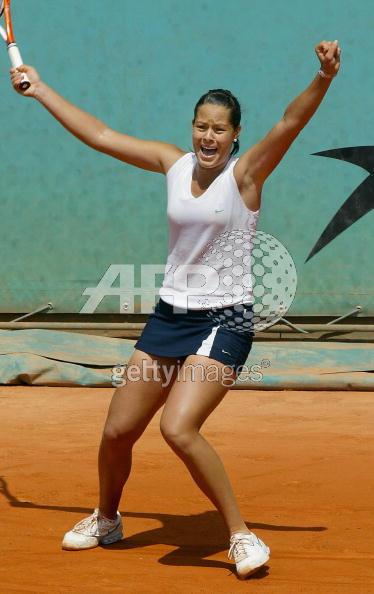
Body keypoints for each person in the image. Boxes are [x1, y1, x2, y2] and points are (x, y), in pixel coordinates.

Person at [11, 39, 341, 580]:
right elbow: (101, 135)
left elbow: (288, 122)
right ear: (193, 127)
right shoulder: (172, 163)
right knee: (118, 432)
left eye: (220, 129)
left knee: (179, 427)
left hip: (225, 320)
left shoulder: (247, 174)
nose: (208, 137)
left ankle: (240, 535)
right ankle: (108, 518)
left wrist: (323, 78)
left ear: (236, 135)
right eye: (201, 126)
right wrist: (42, 89)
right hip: (170, 317)